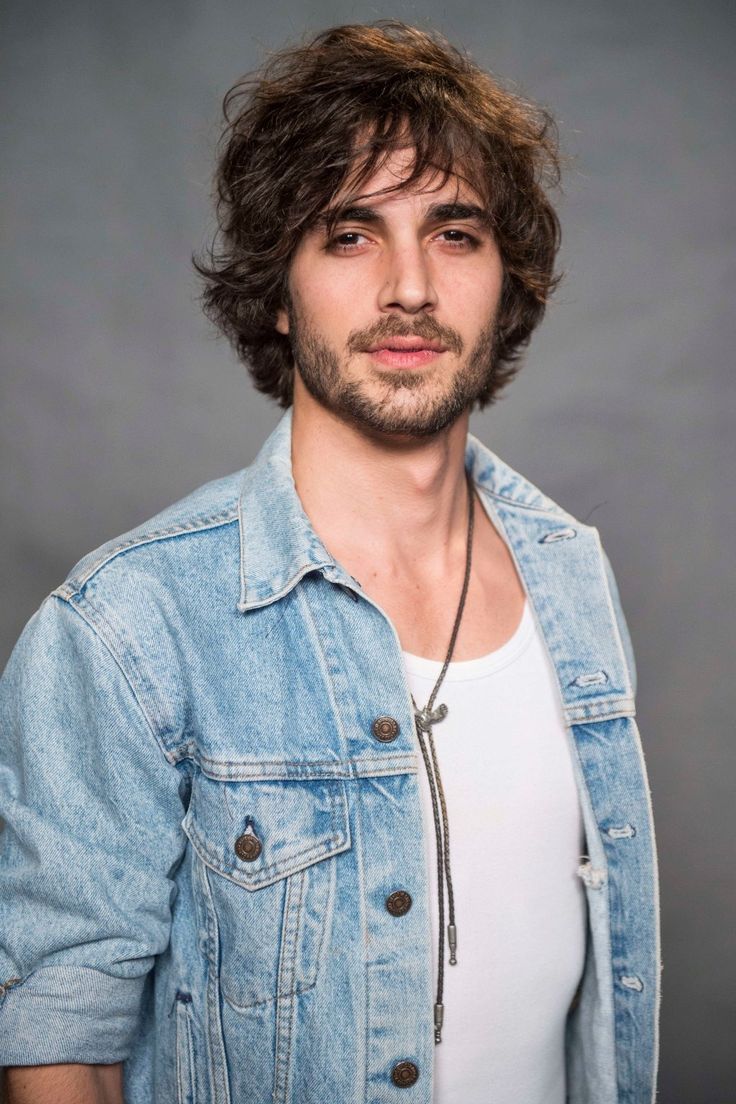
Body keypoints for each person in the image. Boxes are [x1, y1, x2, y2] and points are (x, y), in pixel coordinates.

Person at [0, 20, 660, 1104]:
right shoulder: (128, 628)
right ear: (278, 288)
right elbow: (60, 1039)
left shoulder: (570, 574)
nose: (410, 287)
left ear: (507, 282)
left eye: (455, 233)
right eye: (349, 235)